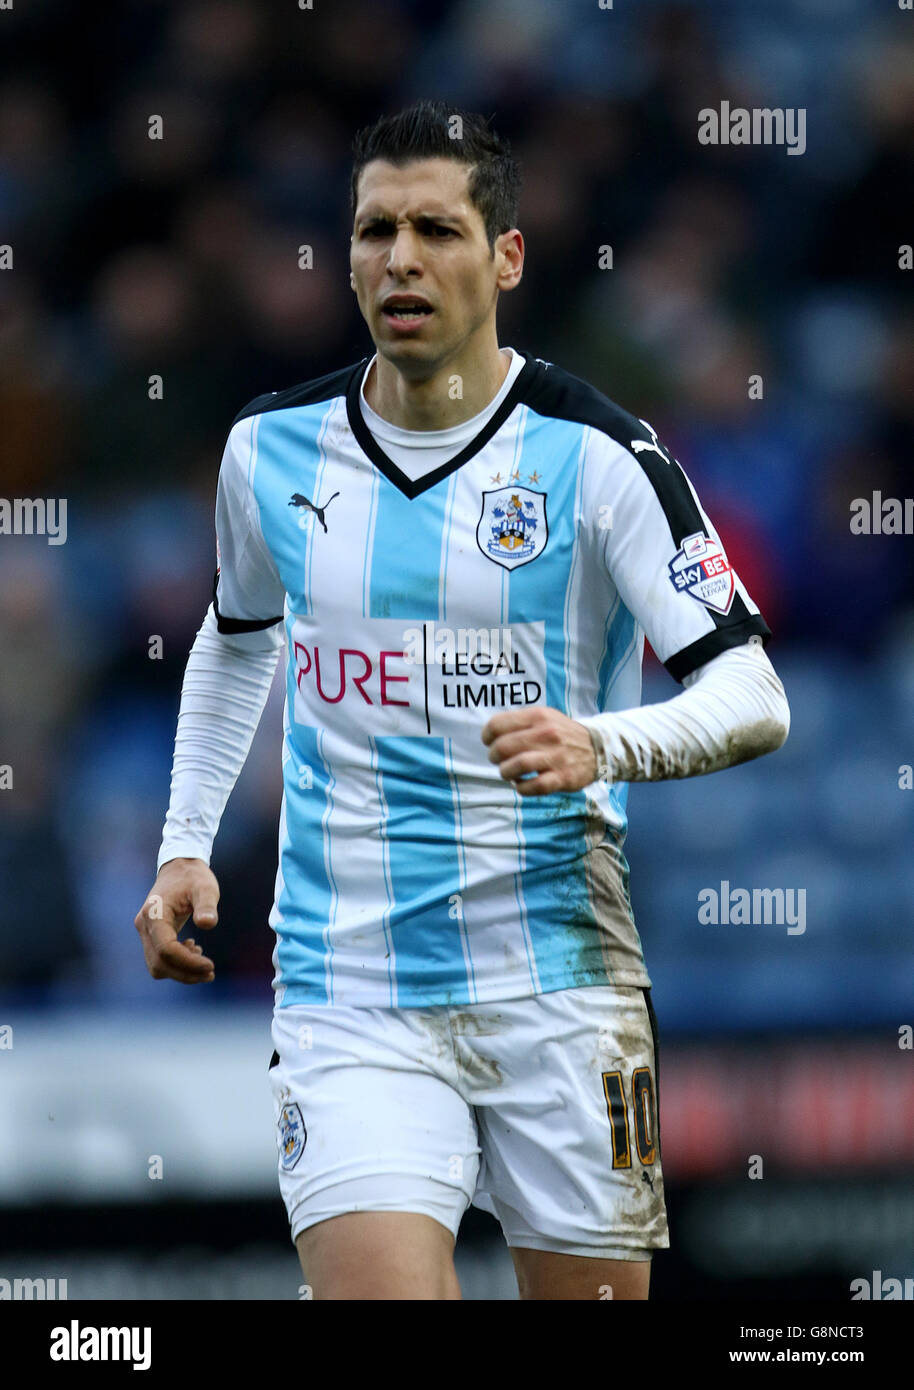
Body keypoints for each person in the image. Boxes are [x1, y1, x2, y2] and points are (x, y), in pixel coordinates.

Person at [134, 100, 790, 1301]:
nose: (399, 259)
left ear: (505, 257)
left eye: (436, 229)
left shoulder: (599, 459)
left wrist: (600, 742)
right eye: (374, 229)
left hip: (562, 983)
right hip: (349, 986)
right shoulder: (266, 452)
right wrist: (185, 840)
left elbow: (752, 692)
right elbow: (236, 640)